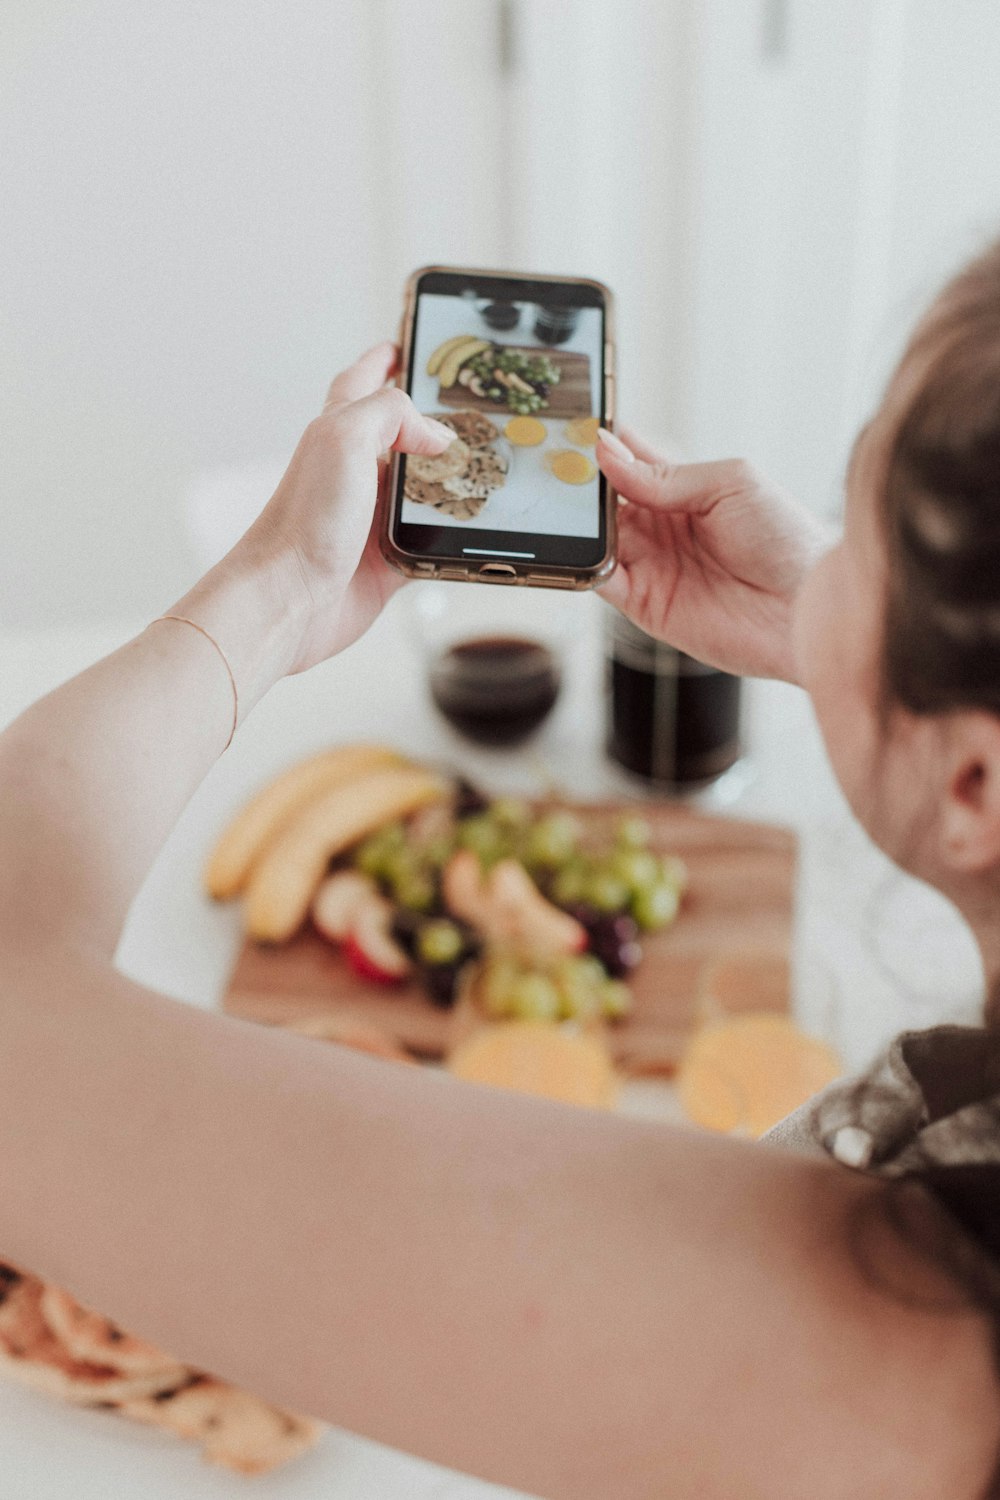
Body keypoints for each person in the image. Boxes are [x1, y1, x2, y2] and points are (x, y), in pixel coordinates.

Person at [2, 241, 1000, 1499]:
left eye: (859, 532)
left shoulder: (903, 1335)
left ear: (973, 784)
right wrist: (846, 630)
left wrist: (274, 591)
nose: (824, 546)